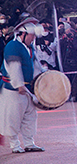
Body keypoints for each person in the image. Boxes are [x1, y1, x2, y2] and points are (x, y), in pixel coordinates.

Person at [1, 17, 46, 153]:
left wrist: (44, 76)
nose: (33, 39)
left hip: (27, 88)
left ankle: (29, 143)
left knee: (30, 116)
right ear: (23, 34)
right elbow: (14, 67)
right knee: (13, 117)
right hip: (13, 89)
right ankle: (15, 145)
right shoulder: (13, 46)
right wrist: (19, 84)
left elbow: (35, 66)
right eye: (31, 36)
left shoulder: (30, 47)